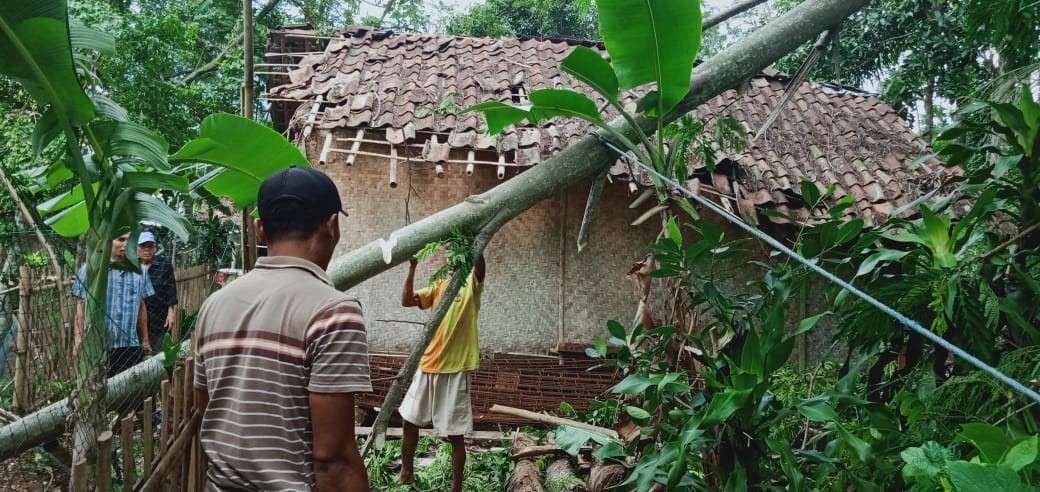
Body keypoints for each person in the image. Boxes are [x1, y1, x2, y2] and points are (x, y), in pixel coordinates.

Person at [193, 166, 371, 492]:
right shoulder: (333, 313)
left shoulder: (214, 306)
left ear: (260, 230)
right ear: (332, 225)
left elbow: (211, 414)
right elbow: (332, 459)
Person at [399, 251, 486, 492]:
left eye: (455, 249)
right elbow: (407, 300)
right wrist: (412, 268)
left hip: (456, 367)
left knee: (454, 434)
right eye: (448, 251)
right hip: (428, 363)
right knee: (409, 420)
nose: (451, 254)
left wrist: (473, 245)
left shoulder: (471, 282)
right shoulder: (438, 285)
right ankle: (406, 472)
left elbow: (479, 266)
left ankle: (455, 487)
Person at [73, 231, 155, 377]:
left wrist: (145, 340)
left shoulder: (140, 271)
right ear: (108, 242)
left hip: (130, 345)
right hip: (98, 347)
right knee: (101, 394)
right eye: (120, 239)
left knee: (132, 391)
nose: (125, 244)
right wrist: (78, 339)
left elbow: (142, 306)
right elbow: (81, 303)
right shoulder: (91, 270)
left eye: (129, 241)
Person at [137, 230, 178, 351]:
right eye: (143, 246)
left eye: (150, 246)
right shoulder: (132, 266)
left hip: (160, 317)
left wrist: (171, 313)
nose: (147, 250)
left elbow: (171, 288)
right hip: (137, 318)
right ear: (137, 248)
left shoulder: (164, 264)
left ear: (154, 248)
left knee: (161, 353)